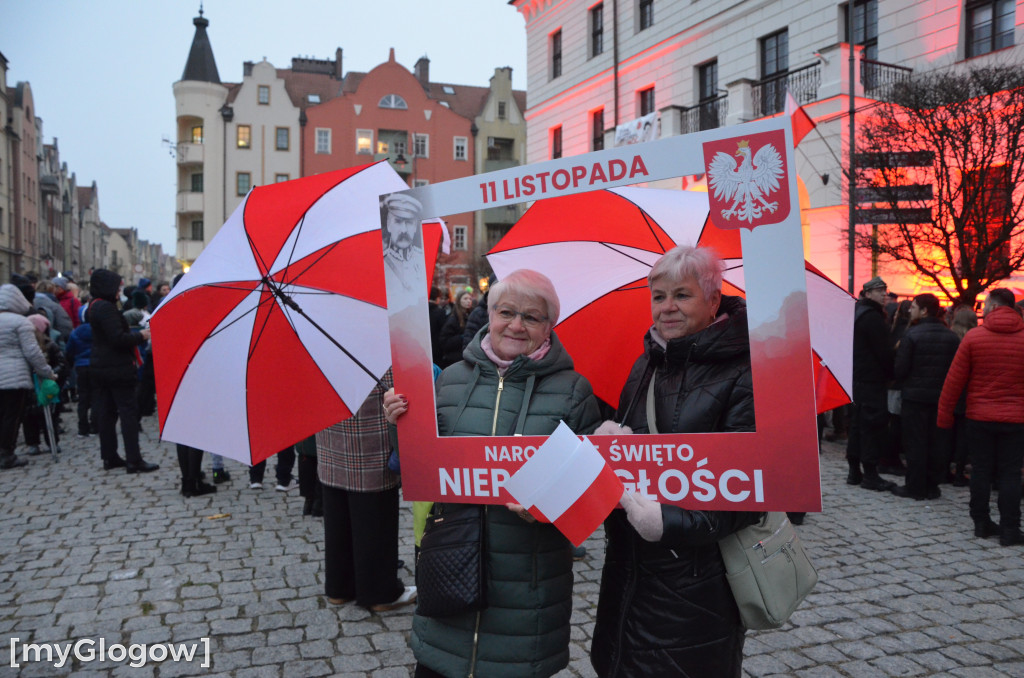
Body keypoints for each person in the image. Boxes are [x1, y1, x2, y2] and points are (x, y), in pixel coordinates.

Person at [384, 269, 602, 678]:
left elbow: (590, 498)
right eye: (507, 312)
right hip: (450, 569)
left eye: (532, 317)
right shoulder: (449, 381)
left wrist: (546, 506)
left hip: (528, 589)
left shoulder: (575, 391)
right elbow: (419, 469)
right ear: (490, 314)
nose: (517, 325)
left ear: (548, 325)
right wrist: (401, 428)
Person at [586, 245, 759, 678]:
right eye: (658, 296)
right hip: (628, 567)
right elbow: (635, 447)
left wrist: (669, 522)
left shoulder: (748, 371)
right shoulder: (647, 362)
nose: (667, 307)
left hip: (695, 582)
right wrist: (615, 442)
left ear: (713, 298)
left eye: (681, 295)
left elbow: (752, 490)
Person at [316, 369, 412, 610]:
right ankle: (380, 593)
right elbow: (398, 389)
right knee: (374, 518)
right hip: (369, 438)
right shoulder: (373, 339)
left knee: (338, 516)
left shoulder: (316, 339)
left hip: (330, 433)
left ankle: (340, 588)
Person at [937, 289, 1024, 546]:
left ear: (995, 306)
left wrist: (944, 417)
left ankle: (981, 523)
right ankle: (1010, 529)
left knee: (981, 471)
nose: (982, 308)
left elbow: (954, 382)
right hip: (1016, 420)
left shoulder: (974, 337)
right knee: (1010, 474)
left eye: (985, 304)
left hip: (979, 417)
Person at [87, 269, 159, 474]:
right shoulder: (106, 308)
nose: (119, 291)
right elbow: (117, 338)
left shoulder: (95, 306)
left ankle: (110, 456)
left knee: (107, 413)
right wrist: (142, 335)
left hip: (102, 366)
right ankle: (133, 460)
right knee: (128, 413)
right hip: (116, 368)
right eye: (117, 287)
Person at [891, 294, 960, 500]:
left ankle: (915, 486)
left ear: (924, 311)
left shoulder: (912, 335)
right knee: (936, 443)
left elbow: (900, 370)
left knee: (915, 443)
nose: (909, 310)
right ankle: (932, 485)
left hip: (914, 398)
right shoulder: (951, 336)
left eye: (913, 307)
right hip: (940, 398)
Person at [0, 284, 58, 469]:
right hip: (14, 377)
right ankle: (6, 454)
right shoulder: (21, 322)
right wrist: (47, 372)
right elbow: (32, 352)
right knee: (11, 416)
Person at [847, 277, 896, 491]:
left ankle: (854, 471)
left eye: (885, 290)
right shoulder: (873, 317)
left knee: (857, 425)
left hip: (857, 378)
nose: (884, 294)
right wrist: (891, 371)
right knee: (872, 426)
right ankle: (870, 474)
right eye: (879, 290)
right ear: (867, 293)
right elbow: (883, 353)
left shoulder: (857, 313)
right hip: (871, 380)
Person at [382, 193, 426, 293]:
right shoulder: (381, 263)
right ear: (389, 225)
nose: (404, 230)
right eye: (398, 222)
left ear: (415, 227)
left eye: (409, 223)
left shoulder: (423, 260)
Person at [437, 290, 474, 367]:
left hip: (468, 356)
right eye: (465, 298)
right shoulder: (453, 319)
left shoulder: (471, 315)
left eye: (470, 299)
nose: (468, 301)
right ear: (459, 300)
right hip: (455, 359)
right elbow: (444, 341)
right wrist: (461, 337)